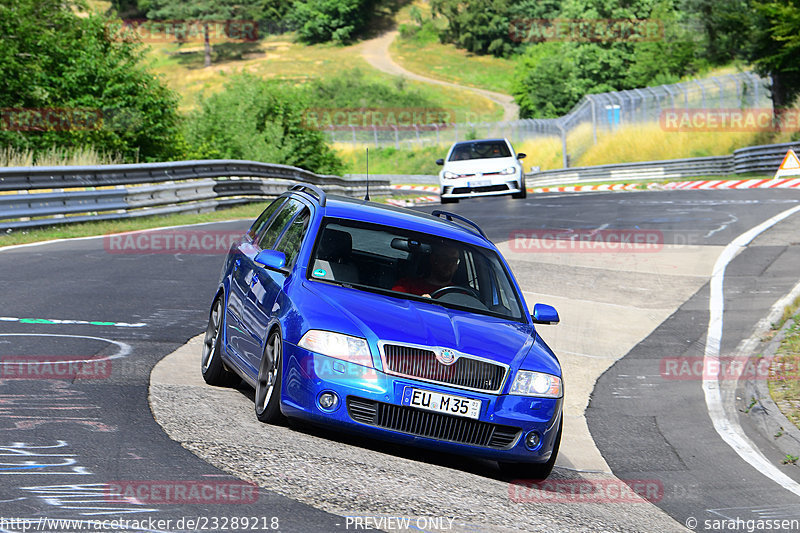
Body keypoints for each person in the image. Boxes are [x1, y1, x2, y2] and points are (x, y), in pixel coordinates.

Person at [393, 244, 461, 298]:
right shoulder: (407, 285)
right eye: (445, 258)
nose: (449, 263)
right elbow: (393, 305)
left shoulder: (460, 294)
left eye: (454, 260)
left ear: (457, 265)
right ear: (434, 259)